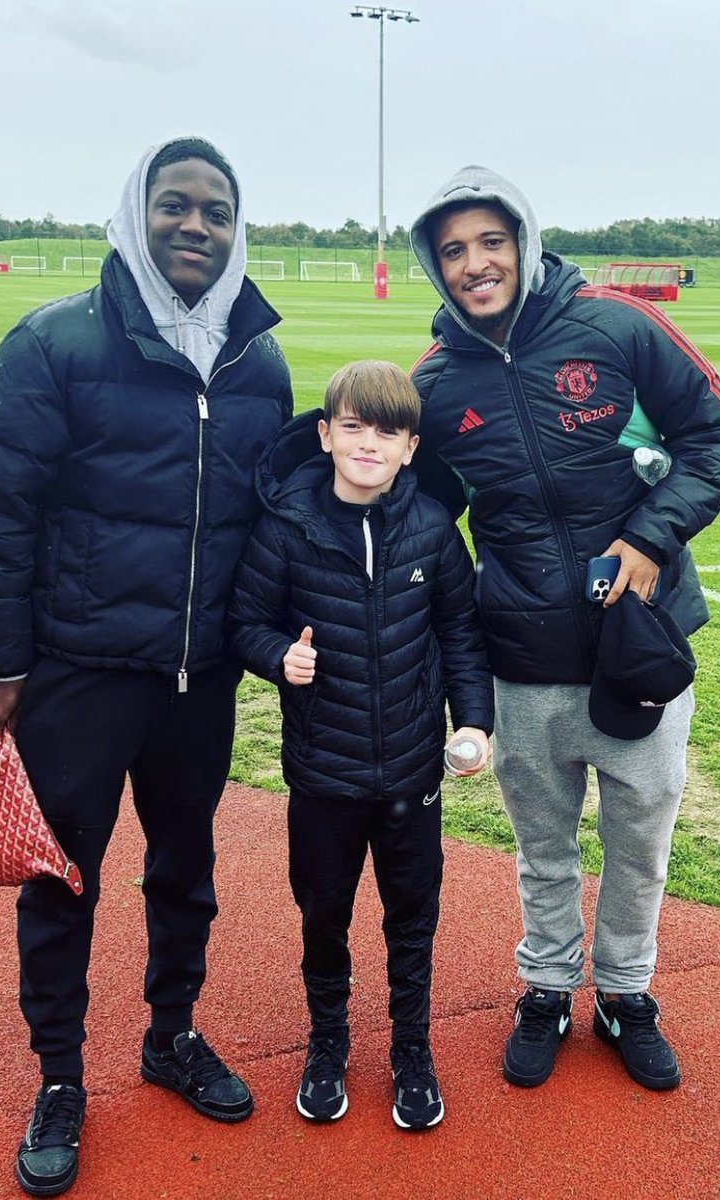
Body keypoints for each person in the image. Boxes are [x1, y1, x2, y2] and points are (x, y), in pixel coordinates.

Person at [0, 137, 294, 1196]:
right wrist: (0, 660)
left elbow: (271, 524)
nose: (196, 226)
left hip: (199, 679)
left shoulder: (258, 360)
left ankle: (170, 1034)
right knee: (63, 881)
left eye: (217, 212)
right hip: (79, 673)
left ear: (236, 231)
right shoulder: (56, 340)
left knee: (185, 870)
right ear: (135, 214)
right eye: (174, 205)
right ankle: (60, 1075)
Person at [408, 166, 720, 1094]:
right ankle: (548, 988)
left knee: (639, 845)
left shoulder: (618, 326)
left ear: (522, 240)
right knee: (544, 848)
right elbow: (421, 519)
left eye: (491, 241)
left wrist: (650, 535)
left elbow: (714, 433)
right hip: (522, 658)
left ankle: (626, 994)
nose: (475, 264)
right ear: (435, 266)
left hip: (640, 643)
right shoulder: (434, 383)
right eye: (453, 250)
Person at [227, 360, 494, 1130]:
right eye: (353, 427)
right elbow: (245, 621)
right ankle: (327, 1042)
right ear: (325, 435)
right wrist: (278, 656)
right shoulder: (286, 526)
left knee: (412, 919)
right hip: (323, 773)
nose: (368, 443)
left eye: (387, 431)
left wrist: (472, 722)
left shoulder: (432, 529)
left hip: (411, 771)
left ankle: (412, 1048)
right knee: (324, 915)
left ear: (410, 447)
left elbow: (460, 632)